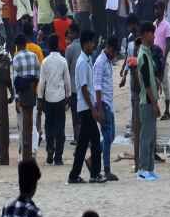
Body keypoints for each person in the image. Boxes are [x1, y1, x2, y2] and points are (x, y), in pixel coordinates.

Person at [69, 31, 101, 184]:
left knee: (82, 144)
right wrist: (93, 109)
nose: (93, 45)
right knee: (95, 141)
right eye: (91, 43)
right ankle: (94, 174)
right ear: (85, 44)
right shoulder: (82, 62)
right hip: (85, 108)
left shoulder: (87, 59)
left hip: (86, 107)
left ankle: (74, 175)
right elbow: (83, 88)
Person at [37, 34, 71, 165]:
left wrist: (40, 99)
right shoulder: (63, 61)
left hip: (48, 98)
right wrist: (68, 96)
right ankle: (59, 157)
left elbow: (42, 82)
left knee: (49, 126)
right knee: (60, 127)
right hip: (61, 98)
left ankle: (50, 151)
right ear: (57, 45)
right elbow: (67, 81)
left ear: (49, 46)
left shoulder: (45, 61)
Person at [136, 21, 160, 180]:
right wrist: (155, 103)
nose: (154, 36)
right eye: (151, 33)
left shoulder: (148, 53)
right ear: (144, 35)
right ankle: (143, 170)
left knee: (151, 137)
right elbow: (145, 83)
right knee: (146, 137)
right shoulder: (143, 54)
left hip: (150, 100)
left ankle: (150, 168)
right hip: (147, 101)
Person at [93, 35, 118, 182]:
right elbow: (97, 86)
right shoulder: (100, 62)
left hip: (109, 103)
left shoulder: (107, 61)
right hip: (103, 104)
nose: (115, 55)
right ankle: (106, 169)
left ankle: (93, 157)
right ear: (109, 48)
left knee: (110, 137)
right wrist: (100, 109)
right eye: (114, 52)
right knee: (108, 137)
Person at [12, 34, 41, 158]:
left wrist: (17, 99)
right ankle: (32, 150)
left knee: (22, 123)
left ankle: (24, 152)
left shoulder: (16, 58)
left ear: (17, 46)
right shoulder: (34, 56)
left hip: (22, 94)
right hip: (32, 91)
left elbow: (15, 81)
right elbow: (39, 75)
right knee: (32, 122)